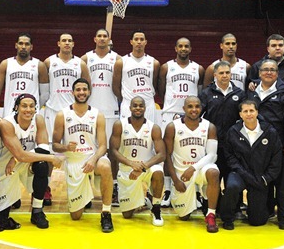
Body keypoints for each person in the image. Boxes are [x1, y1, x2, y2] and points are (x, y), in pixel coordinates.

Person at [52, 78, 114, 232]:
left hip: (93, 158)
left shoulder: (97, 115)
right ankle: (85, 197)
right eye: (78, 90)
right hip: (74, 162)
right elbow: (54, 145)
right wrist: (65, 147)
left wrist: (93, 159)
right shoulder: (62, 115)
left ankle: (106, 213)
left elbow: (103, 146)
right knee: (76, 216)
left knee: (105, 166)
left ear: (89, 92)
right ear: (72, 92)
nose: (81, 92)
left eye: (84, 89)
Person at [0, 94, 64, 229]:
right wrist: (52, 157)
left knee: (42, 165)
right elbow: (20, 155)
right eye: (24, 106)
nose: (28, 109)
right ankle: (12, 200)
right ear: (16, 108)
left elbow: (43, 148)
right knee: (2, 216)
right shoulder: (7, 124)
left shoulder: (38, 120)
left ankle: (37, 210)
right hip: (5, 166)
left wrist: (17, 158)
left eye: (32, 106)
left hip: (26, 162)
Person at [247, 59, 284, 230]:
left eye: (272, 70)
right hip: (258, 147)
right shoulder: (252, 92)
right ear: (259, 73)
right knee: (263, 182)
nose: (268, 72)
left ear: (277, 73)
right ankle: (266, 211)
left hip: (281, 145)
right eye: (265, 70)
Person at [220, 100, 282, 230]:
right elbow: (230, 158)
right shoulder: (233, 132)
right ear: (240, 114)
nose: (249, 114)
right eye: (245, 111)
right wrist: (246, 175)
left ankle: (255, 209)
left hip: (260, 177)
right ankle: (227, 218)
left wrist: (266, 178)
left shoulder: (269, 132)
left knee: (257, 221)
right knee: (232, 186)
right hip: (240, 174)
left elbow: (276, 158)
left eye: (251, 111)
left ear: (257, 112)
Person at [43, 33, 90, 206]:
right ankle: (45, 189)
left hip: (73, 113)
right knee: (49, 152)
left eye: (70, 40)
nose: (67, 43)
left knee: (80, 151)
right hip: (53, 110)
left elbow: (87, 87)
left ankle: (84, 190)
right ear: (58, 43)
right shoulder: (48, 62)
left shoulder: (81, 63)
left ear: (73, 44)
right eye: (64, 40)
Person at [157, 37, 204, 208]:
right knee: (167, 153)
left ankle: (197, 192)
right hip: (170, 113)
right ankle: (168, 190)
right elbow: (161, 89)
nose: (183, 49)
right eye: (180, 46)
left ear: (190, 49)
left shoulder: (198, 68)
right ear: (175, 48)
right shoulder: (166, 67)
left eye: (186, 46)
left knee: (195, 151)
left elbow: (201, 92)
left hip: (192, 113)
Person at [163, 96, 221, 233]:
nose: (194, 110)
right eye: (190, 106)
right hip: (181, 175)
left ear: (201, 108)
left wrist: (193, 168)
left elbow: (212, 155)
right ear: (184, 109)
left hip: (200, 170)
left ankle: (210, 214)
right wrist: (175, 180)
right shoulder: (173, 127)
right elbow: (167, 156)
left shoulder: (209, 127)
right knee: (184, 217)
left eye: (197, 106)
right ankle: (197, 197)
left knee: (213, 172)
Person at [199, 61, 246, 216]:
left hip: (234, 145)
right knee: (213, 176)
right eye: (221, 73)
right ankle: (212, 207)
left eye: (227, 73)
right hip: (213, 144)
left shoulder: (239, 93)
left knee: (232, 176)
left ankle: (235, 208)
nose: (225, 76)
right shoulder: (206, 93)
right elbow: (199, 117)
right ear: (215, 75)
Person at [109, 97, 166, 225]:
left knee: (158, 171)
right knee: (127, 215)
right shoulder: (120, 125)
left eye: (141, 106)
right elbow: (113, 150)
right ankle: (142, 200)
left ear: (145, 108)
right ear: (130, 108)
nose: (138, 108)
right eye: (135, 105)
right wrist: (131, 164)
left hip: (146, 168)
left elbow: (162, 154)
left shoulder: (153, 127)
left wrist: (142, 167)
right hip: (127, 169)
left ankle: (156, 209)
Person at [81, 29, 121, 206]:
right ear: (94, 39)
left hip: (111, 108)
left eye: (105, 36)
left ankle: (114, 187)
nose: (102, 38)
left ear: (109, 39)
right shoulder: (85, 58)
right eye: (100, 36)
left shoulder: (118, 59)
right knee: (87, 149)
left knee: (112, 151)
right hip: (91, 110)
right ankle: (86, 190)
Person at [0, 33, 49, 117]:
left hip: (30, 114)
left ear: (31, 47)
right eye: (21, 43)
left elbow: (45, 94)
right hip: (9, 113)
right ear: (16, 45)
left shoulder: (40, 65)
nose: (23, 47)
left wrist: (35, 108)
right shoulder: (5, 64)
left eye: (27, 44)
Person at [113, 29, 160, 124]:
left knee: (149, 135)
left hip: (148, 104)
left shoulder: (154, 63)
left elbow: (154, 85)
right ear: (131, 42)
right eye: (136, 39)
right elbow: (115, 86)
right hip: (128, 105)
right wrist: (126, 99)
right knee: (126, 136)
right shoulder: (121, 62)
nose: (139, 42)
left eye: (142, 39)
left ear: (145, 42)